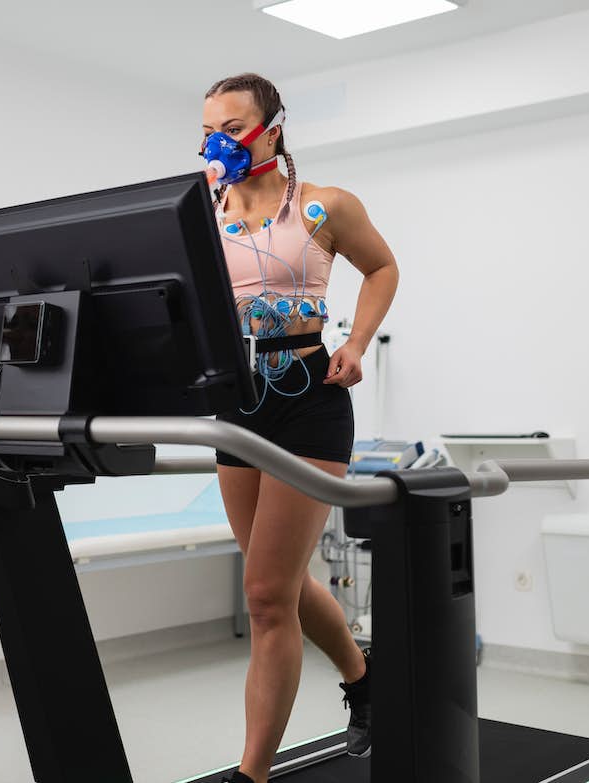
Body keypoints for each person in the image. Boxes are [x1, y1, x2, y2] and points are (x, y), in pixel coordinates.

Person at [201, 74, 399, 783]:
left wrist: (357, 343)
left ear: (270, 130)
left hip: (305, 396)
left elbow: (380, 267)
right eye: (207, 127)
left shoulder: (323, 205)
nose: (214, 140)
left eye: (230, 125)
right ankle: (363, 676)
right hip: (233, 399)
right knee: (273, 581)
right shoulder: (198, 211)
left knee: (262, 594)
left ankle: (250, 773)